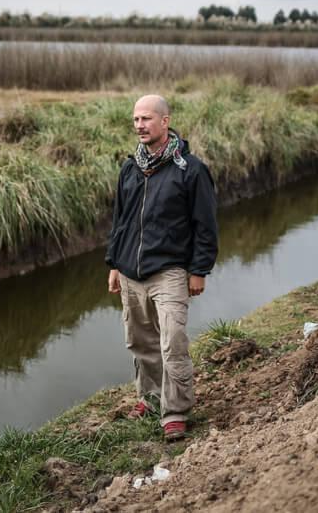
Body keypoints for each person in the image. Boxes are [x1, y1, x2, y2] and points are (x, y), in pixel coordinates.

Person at [106, 94, 219, 441]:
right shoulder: (130, 168)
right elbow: (120, 221)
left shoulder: (192, 170)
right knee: (140, 342)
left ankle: (175, 412)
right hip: (129, 272)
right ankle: (151, 398)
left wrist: (198, 270)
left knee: (172, 342)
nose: (139, 125)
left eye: (146, 119)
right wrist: (113, 263)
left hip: (169, 271)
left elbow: (206, 225)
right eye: (136, 119)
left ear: (165, 121)